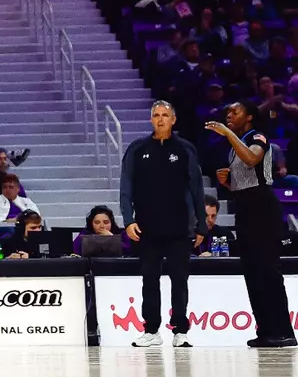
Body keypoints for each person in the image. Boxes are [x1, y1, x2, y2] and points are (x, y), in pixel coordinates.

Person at [206, 104, 297, 347]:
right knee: (252, 271)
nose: (229, 116)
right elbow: (242, 182)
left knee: (268, 270)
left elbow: (252, 157)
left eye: (234, 113)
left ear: (248, 117)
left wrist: (227, 133)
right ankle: (266, 329)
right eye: (227, 113)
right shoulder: (235, 147)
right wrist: (226, 183)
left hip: (262, 207)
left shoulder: (257, 137)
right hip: (245, 206)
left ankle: (284, 331)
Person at [119, 101, 207, 348]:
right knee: (149, 279)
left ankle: (180, 330)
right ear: (150, 120)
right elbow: (125, 186)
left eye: (165, 115)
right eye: (156, 115)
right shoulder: (137, 148)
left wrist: (201, 224)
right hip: (147, 227)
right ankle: (151, 330)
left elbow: (197, 188)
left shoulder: (185, 149)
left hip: (179, 227)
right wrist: (128, 219)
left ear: (174, 119)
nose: (160, 119)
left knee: (179, 279)